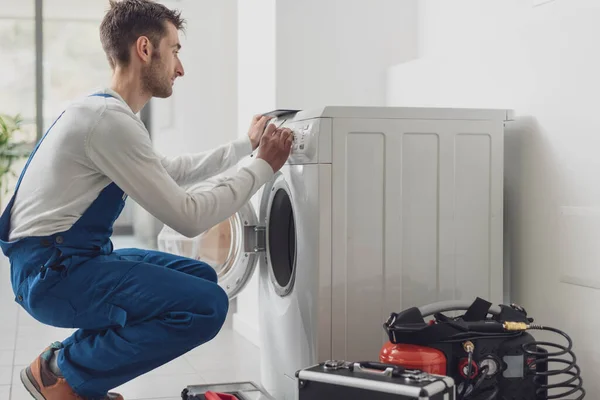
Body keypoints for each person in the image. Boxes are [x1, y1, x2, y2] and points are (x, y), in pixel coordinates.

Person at [0, 0, 294, 399]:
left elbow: (169, 170)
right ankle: (64, 375)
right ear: (144, 49)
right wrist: (263, 166)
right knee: (207, 305)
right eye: (174, 51)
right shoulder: (108, 123)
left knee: (200, 279)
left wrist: (246, 147)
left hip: (64, 262)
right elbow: (189, 217)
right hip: (54, 275)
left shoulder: (102, 112)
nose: (180, 67)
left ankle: (60, 367)